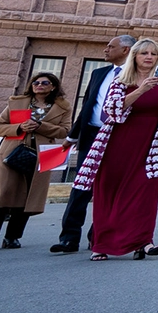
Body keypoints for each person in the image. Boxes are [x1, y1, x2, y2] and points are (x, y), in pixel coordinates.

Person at [73, 38, 158, 260]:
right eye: (144, 53)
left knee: (145, 193)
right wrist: (141, 90)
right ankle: (101, 245)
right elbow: (111, 109)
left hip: (153, 144)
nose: (149, 57)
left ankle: (144, 242)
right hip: (119, 142)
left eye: (154, 54)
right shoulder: (122, 78)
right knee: (110, 192)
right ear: (134, 55)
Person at [51, 34, 135, 253]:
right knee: (81, 186)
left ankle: (97, 237)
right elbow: (88, 105)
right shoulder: (99, 73)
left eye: (111, 46)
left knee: (108, 189)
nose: (105, 50)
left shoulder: (138, 75)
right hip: (90, 136)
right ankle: (68, 238)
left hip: (118, 137)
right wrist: (72, 136)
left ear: (125, 50)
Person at [0, 72, 72, 249]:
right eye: (36, 82)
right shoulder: (17, 103)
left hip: (41, 155)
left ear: (53, 86)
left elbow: (65, 132)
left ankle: (12, 237)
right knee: (0, 193)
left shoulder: (62, 107)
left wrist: (41, 126)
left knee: (27, 195)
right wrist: (19, 126)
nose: (39, 85)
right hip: (10, 153)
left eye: (44, 82)